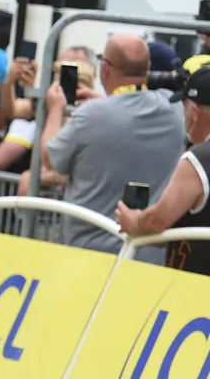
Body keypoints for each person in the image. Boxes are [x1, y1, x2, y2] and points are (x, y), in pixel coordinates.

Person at [41, 32, 184, 260]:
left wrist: (55, 109)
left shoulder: (92, 115)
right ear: (147, 67)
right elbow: (130, 112)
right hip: (150, 256)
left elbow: (50, 157)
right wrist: (105, 102)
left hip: (90, 253)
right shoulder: (174, 108)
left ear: (105, 69)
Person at [117, 68, 210, 275]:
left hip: (194, 286)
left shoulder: (199, 159)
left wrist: (133, 221)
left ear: (194, 113)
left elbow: (158, 219)